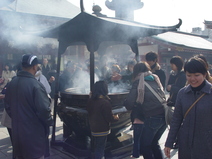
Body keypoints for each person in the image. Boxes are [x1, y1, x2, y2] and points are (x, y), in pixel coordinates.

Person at [4, 54, 53, 159]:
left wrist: (18, 118)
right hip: (33, 135)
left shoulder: (12, 83)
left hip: (17, 131)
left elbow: (7, 106)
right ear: (35, 67)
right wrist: (49, 121)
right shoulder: (36, 85)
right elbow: (44, 110)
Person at [164, 57, 212, 159]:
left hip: (207, 144)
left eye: (197, 75)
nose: (192, 79)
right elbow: (176, 119)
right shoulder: (182, 93)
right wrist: (169, 143)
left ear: (204, 74)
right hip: (186, 145)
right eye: (189, 75)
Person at [124, 62, 166, 159]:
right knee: (154, 143)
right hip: (163, 115)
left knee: (145, 146)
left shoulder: (138, 82)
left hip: (152, 117)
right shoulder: (155, 78)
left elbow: (129, 103)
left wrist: (126, 103)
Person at [86, 81, 119, 159]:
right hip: (102, 129)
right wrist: (116, 117)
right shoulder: (105, 103)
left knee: (96, 146)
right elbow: (109, 118)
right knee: (100, 148)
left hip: (93, 128)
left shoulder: (91, 101)